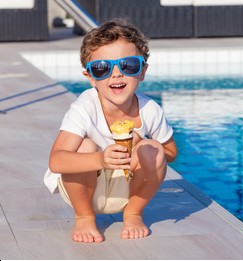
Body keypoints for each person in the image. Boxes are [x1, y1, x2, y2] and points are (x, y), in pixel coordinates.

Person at [43, 19, 177, 243]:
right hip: (84, 192)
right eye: (102, 68)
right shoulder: (85, 108)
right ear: (90, 78)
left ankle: (133, 213)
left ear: (142, 71)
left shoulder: (149, 110)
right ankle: (84, 218)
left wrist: (140, 144)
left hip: (126, 192)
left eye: (128, 65)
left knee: (152, 148)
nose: (116, 74)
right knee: (85, 146)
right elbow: (56, 162)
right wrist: (100, 159)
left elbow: (170, 153)